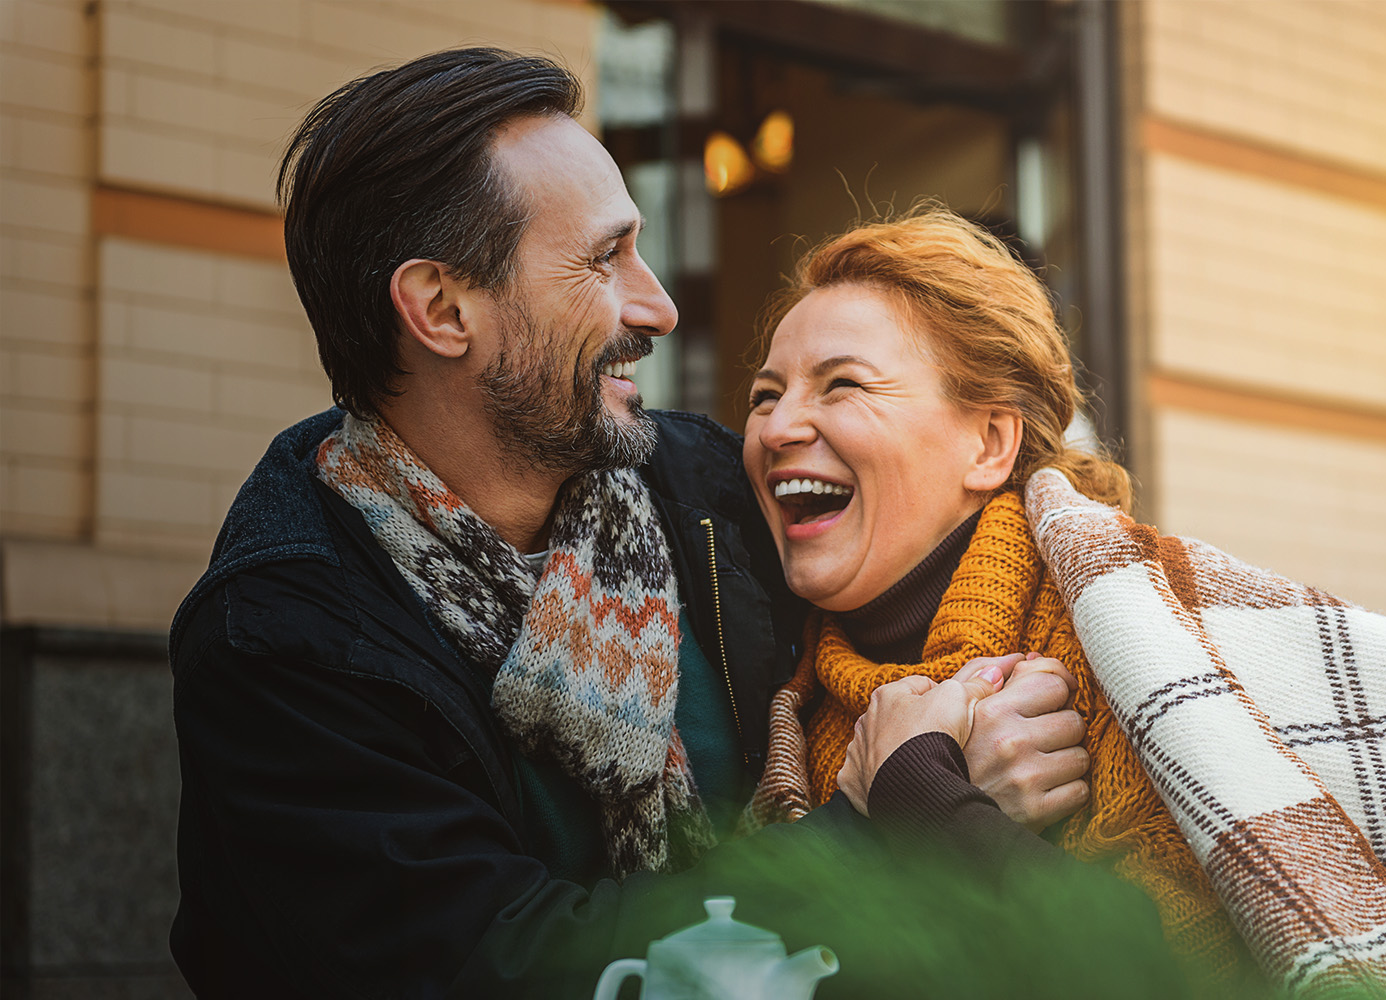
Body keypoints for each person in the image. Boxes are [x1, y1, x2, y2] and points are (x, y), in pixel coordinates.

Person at [167, 49, 1179, 1000]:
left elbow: (934, 539)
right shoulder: (286, 639)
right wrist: (879, 827)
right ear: (440, 308)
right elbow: (509, 967)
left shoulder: (703, 491)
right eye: (603, 260)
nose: (657, 307)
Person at [741, 205, 1386, 997]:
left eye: (842, 385)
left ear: (989, 442)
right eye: (765, 396)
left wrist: (919, 798)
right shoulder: (773, 690)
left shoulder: (1147, 651)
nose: (779, 428)